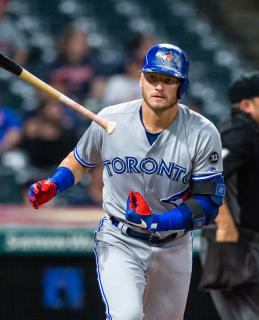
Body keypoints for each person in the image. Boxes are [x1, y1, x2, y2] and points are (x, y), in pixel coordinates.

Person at [29, 44, 225, 319]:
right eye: (154, 78)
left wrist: (158, 222)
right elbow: (80, 160)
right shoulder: (111, 119)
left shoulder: (202, 133)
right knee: (128, 316)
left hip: (174, 246)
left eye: (169, 80)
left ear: (182, 87)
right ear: (141, 79)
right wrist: (55, 184)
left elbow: (208, 202)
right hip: (120, 239)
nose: (159, 86)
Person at [199, 71, 259, 320]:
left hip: (244, 242)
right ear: (247, 105)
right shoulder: (239, 132)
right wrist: (226, 224)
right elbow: (205, 175)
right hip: (232, 245)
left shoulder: (250, 133)